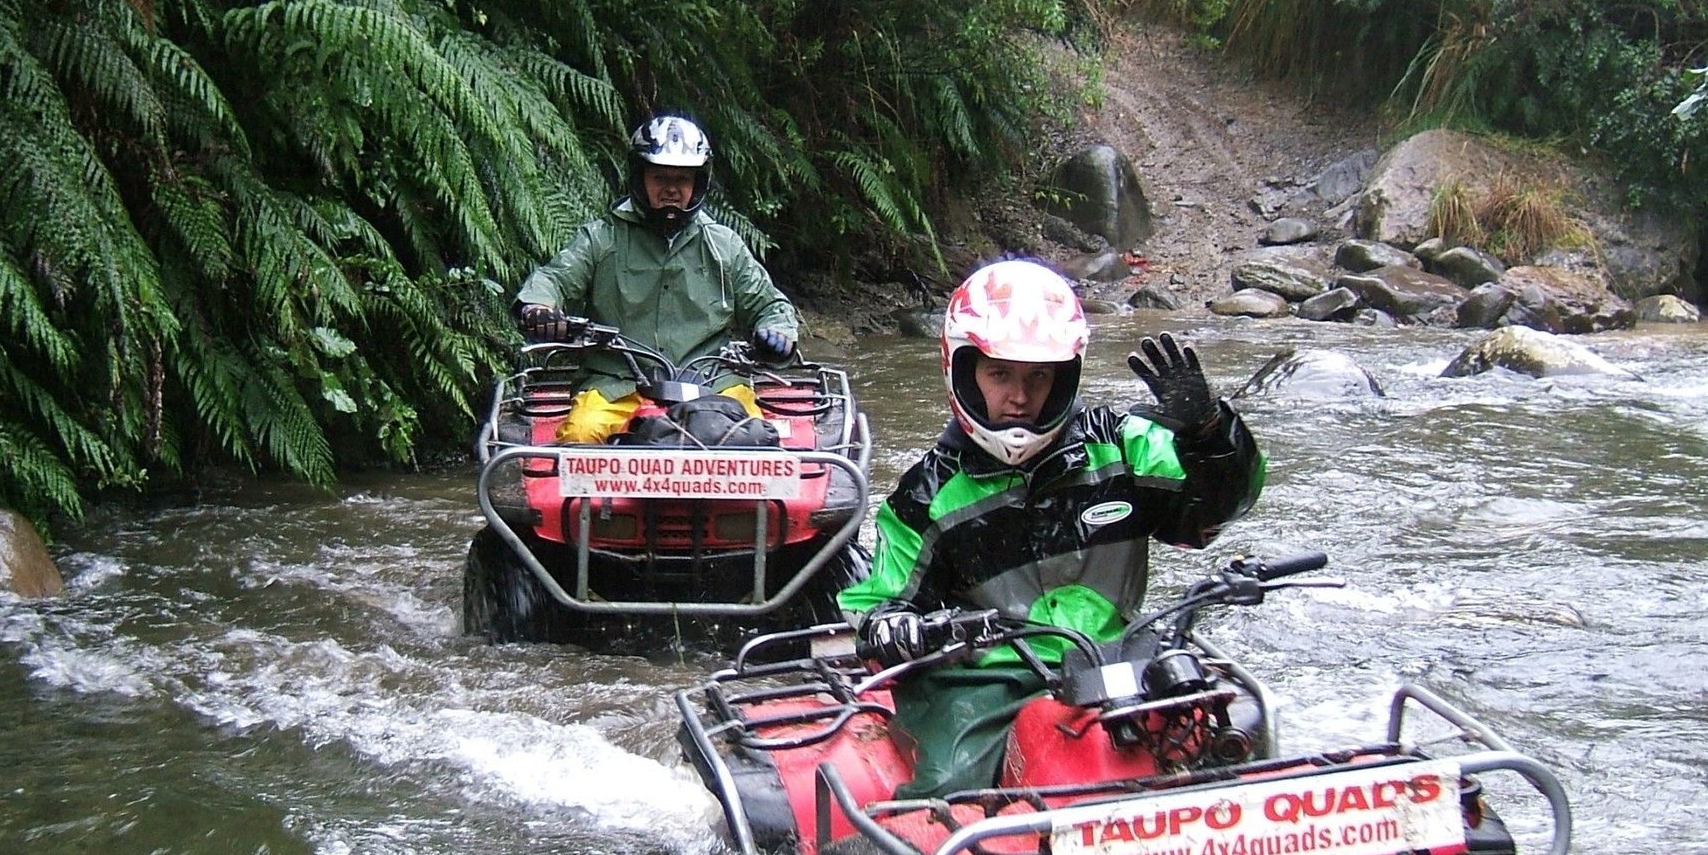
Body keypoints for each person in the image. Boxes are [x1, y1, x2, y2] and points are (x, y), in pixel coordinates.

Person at [837, 257, 1265, 797]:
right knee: (948, 784)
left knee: (1229, 728)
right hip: (987, 678)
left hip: (1118, 653)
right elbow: (881, 606)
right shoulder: (924, 498)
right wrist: (897, 628)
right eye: (999, 374)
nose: (1019, 396)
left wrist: (1210, 432)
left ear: (1065, 376)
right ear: (962, 370)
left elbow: (1216, 510)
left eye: (1038, 377)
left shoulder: (1123, 445)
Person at [514, 114, 801, 445]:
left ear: (698, 183)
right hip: (617, 381)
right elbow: (554, 280)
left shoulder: (723, 244)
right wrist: (538, 309)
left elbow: (769, 304)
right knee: (580, 434)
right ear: (639, 177)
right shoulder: (601, 238)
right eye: (660, 177)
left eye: (683, 179)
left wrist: (777, 334)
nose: (671, 190)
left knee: (753, 438)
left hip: (714, 380)